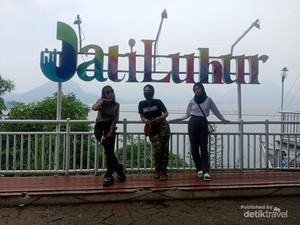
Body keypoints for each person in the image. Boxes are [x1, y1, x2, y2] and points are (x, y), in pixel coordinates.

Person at [170, 82, 229, 181]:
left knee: (204, 147)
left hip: (202, 122)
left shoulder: (208, 100)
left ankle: (206, 171)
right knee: (194, 147)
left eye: (199, 88)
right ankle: (199, 169)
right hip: (192, 122)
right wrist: (174, 120)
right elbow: (187, 115)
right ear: (193, 91)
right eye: (195, 89)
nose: (197, 90)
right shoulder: (192, 101)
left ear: (202, 89)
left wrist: (223, 119)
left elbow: (215, 111)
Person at [92, 85, 126, 187]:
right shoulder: (100, 102)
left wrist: (111, 130)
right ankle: (119, 169)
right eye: (107, 92)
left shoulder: (116, 105)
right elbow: (94, 108)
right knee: (108, 148)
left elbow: (115, 118)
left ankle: (109, 175)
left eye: (111, 92)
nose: (110, 94)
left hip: (109, 128)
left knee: (108, 151)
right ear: (104, 94)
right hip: (99, 129)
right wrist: (103, 100)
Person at [138, 84, 170, 181]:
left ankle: (163, 172)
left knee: (164, 150)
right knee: (157, 150)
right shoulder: (141, 104)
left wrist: (159, 118)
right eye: (144, 90)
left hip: (163, 126)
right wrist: (145, 120)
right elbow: (142, 116)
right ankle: (157, 170)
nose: (146, 92)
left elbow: (166, 113)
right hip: (152, 128)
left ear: (152, 91)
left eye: (148, 90)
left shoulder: (158, 102)